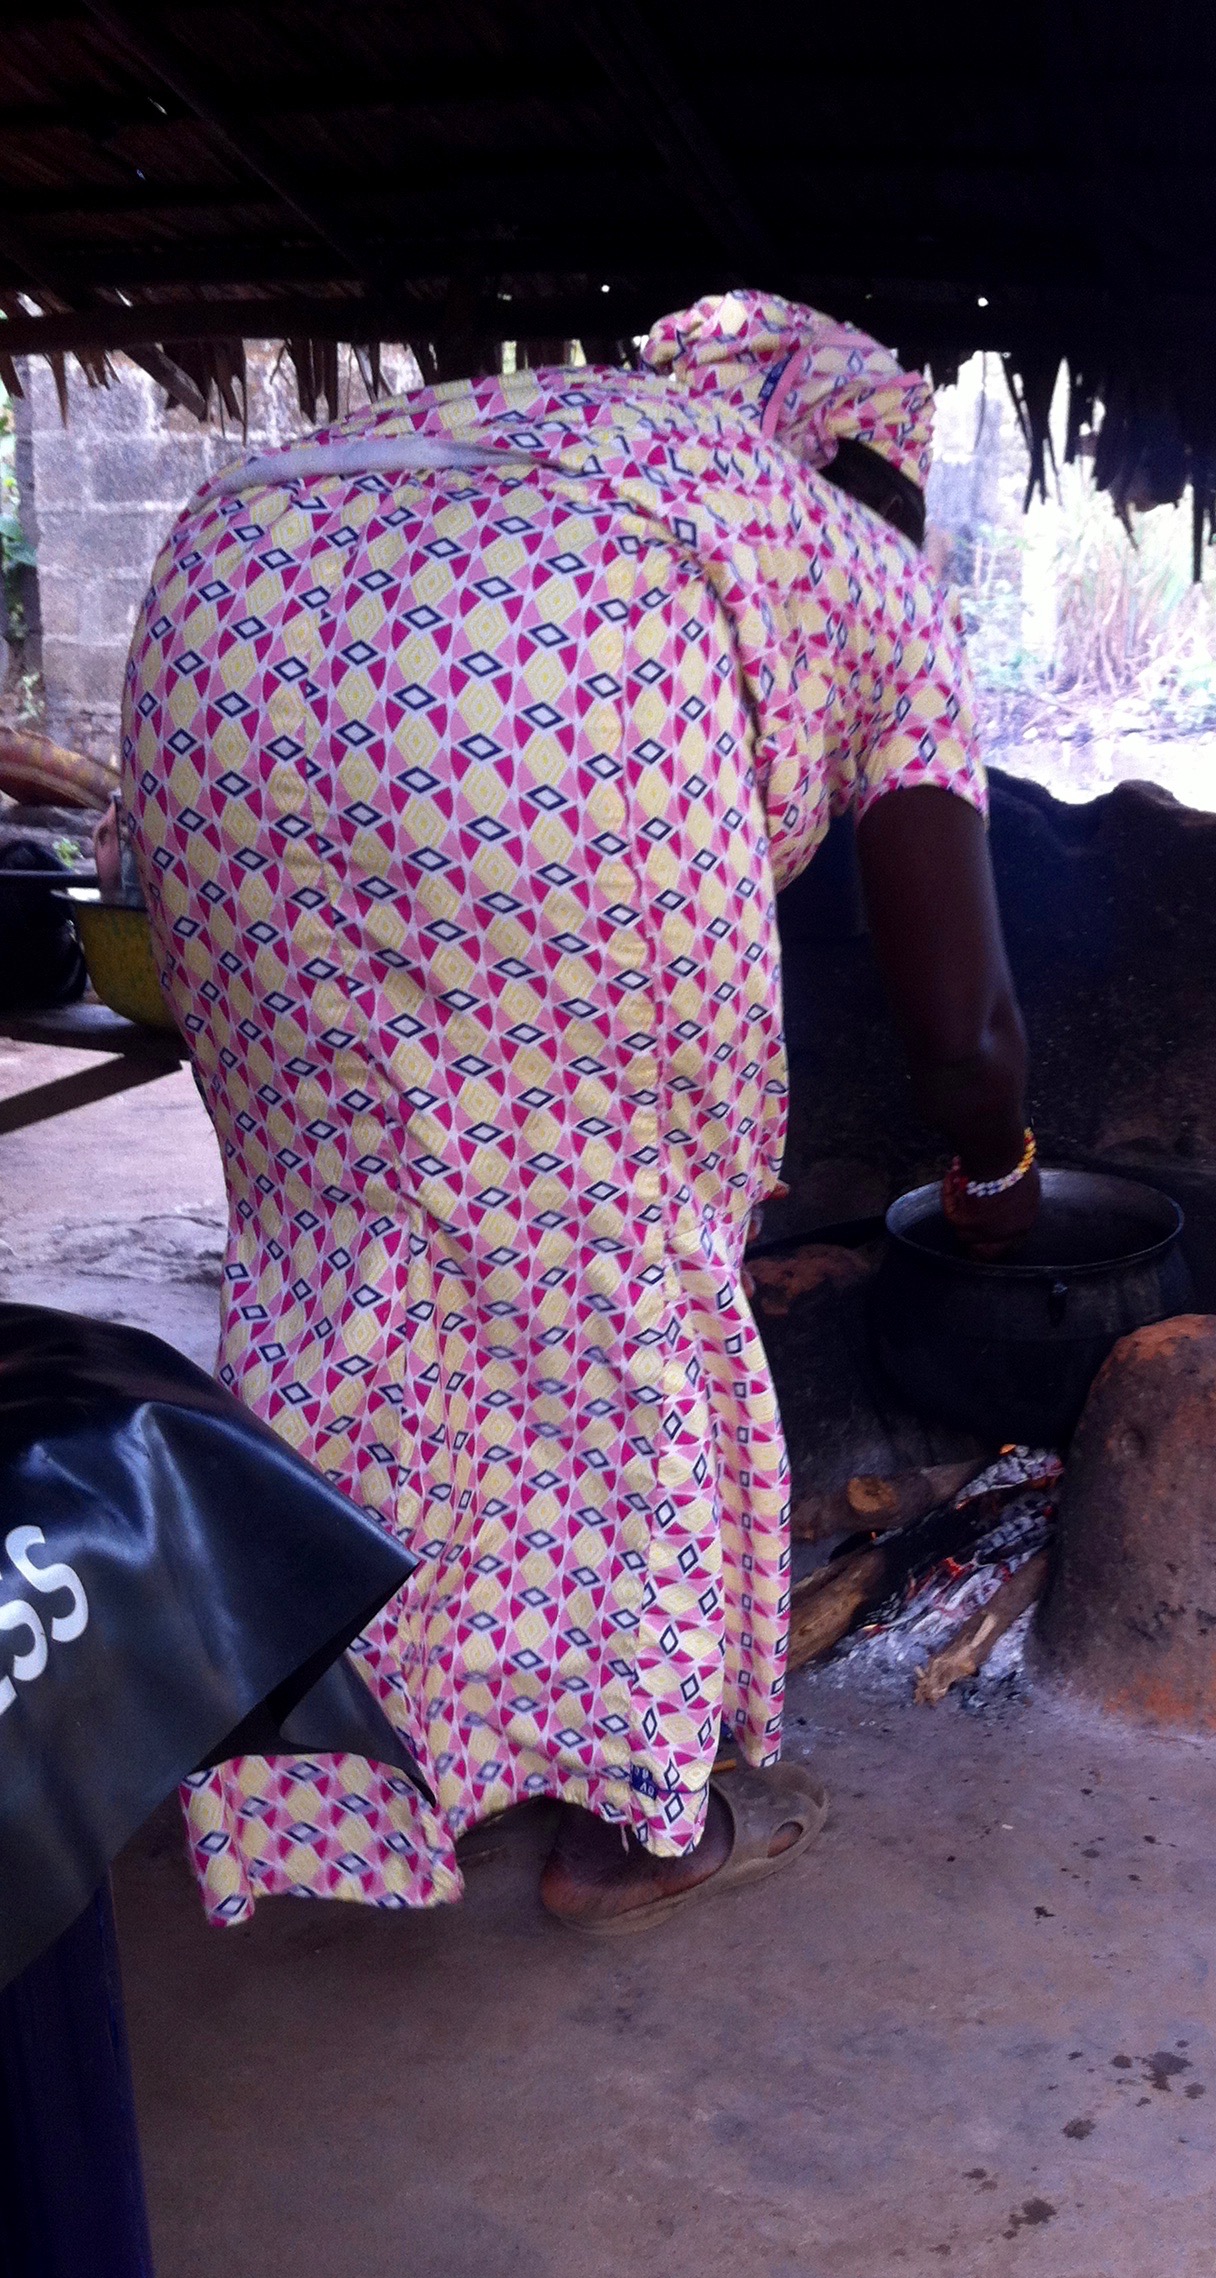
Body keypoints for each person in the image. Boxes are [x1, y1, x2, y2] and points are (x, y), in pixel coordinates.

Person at [121, 292, 1038, 1936]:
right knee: (612, 1272)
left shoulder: (547, 432)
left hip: (219, 633)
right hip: (553, 700)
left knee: (348, 1248)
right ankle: (630, 1827)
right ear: (863, 461)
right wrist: (997, 1168)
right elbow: (962, 1022)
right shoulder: (840, 548)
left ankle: (327, 1779)